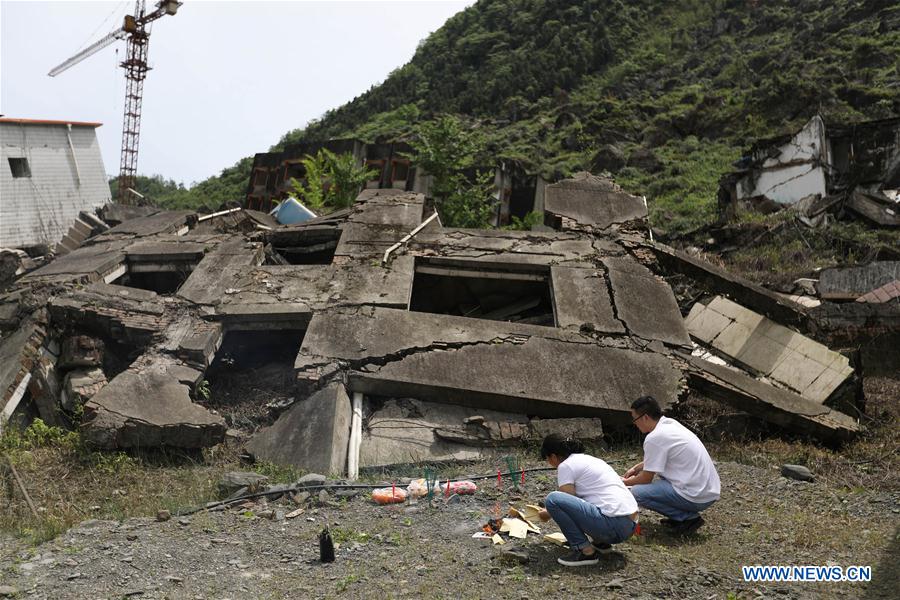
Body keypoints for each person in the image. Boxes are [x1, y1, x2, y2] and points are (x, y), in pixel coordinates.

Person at [622, 395, 720, 535]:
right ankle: (679, 516)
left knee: (637, 492)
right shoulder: (669, 424)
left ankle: (686, 518)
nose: (635, 423)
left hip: (696, 495)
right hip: (708, 491)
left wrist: (624, 482)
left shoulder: (654, 438)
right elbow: (663, 455)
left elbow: (645, 479)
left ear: (645, 417)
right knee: (658, 483)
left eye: (635, 419)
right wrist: (637, 467)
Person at [538, 433, 639, 567]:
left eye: (547, 459)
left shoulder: (565, 466)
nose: (549, 463)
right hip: (631, 524)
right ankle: (600, 542)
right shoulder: (591, 460)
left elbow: (568, 501)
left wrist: (547, 513)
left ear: (553, 456)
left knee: (553, 500)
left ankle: (584, 550)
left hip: (613, 526)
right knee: (591, 499)